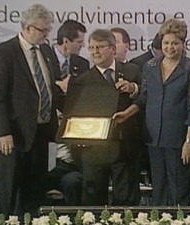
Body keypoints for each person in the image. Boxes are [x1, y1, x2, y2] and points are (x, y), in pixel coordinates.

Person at [113, 18, 190, 205]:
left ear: (183, 44)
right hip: (153, 138)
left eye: (175, 43)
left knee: (178, 191)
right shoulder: (150, 66)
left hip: (178, 140)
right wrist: (127, 113)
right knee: (159, 190)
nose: (170, 47)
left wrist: (189, 141)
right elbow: (144, 98)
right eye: (166, 43)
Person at [0, 4, 60, 216]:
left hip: (40, 132)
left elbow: (48, 86)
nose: (47, 35)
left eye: (48, 30)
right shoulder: (5, 52)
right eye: (42, 30)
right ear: (27, 28)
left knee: (35, 191)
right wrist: (2, 131)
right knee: (7, 191)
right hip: (13, 135)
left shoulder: (46, 51)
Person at [67, 29, 141, 206]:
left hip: (126, 150)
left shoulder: (132, 71)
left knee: (126, 205)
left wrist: (133, 89)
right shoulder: (81, 81)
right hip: (94, 153)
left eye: (100, 47)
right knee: (93, 205)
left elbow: (147, 98)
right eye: (91, 48)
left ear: (113, 49)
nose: (95, 52)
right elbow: (73, 118)